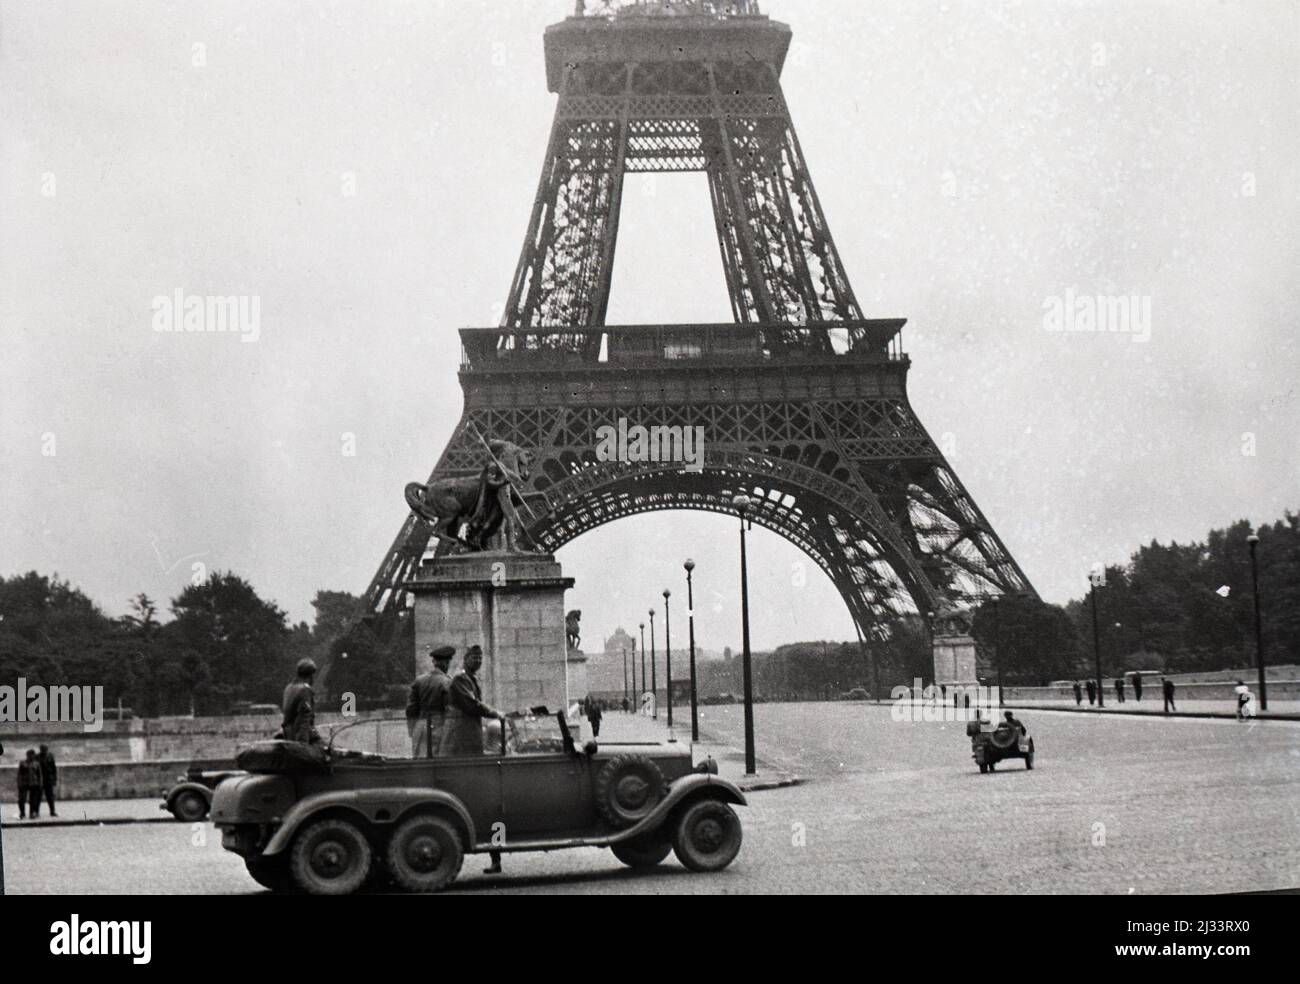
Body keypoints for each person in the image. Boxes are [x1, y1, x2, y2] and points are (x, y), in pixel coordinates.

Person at [441, 644, 506, 872]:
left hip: (469, 745)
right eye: (474, 657)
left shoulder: (469, 678)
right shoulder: (461, 679)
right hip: (462, 747)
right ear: (466, 658)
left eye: (480, 658)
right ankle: (493, 856)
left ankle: (495, 859)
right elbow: (472, 705)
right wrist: (495, 713)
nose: (478, 661)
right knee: (481, 802)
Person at [407, 645, 455, 756]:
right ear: (445, 663)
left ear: (434, 662)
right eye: (447, 662)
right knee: (437, 760)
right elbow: (450, 710)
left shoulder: (419, 680)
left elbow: (410, 708)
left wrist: (412, 729)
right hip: (439, 726)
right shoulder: (447, 682)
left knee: (420, 759)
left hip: (420, 726)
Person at [281, 658, 321, 744]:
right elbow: (303, 719)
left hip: (287, 735)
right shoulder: (304, 690)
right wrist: (302, 745)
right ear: (311, 675)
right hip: (299, 737)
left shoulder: (289, 688)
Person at [17, 749, 43, 819]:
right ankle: (22, 813)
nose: (31, 756)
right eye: (29, 755)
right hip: (24, 784)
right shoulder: (22, 763)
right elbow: (19, 774)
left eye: (32, 755)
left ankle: (32, 813)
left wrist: (40, 784)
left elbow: (39, 775)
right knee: (22, 800)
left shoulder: (37, 764)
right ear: (27, 755)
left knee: (33, 800)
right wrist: (19, 783)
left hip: (34, 783)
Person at [38, 744, 58, 817]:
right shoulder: (37, 757)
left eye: (45, 749)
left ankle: (52, 811)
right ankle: (36, 812)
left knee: (50, 797)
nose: (44, 750)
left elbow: (54, 768)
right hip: (40, 779)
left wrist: (54, 779)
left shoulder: (50, 756)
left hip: (48, 779)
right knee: (38, 796)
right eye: (42, 749)